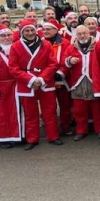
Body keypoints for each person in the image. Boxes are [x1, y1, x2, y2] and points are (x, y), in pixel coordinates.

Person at [9, 19, 61, 150]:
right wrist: (31, 80)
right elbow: (13, 68)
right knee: (30, 113)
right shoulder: (15, 46)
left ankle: (53, 136)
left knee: (49, 111)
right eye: (27, 30)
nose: (30, 33)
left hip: (45, 82)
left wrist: (42, 78)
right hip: (26, 83)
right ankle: (32, 139)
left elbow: (53, 63)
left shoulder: (46, 44)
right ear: (22, 32)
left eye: (32, 30)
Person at [62, 25, 100, 141]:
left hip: (94, 81)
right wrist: (69, 61)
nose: (82, 36)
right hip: (77, 83)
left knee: (97, 109)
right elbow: (64, 61)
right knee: (79, 110)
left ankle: (99, 129)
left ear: (89, 33)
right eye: (79, 34)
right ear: (76, 35)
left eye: (84, 33)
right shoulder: (71, 48)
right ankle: (81, 130)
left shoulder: (98, 45)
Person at [42, 19, 73, 136]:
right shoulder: (39, 42)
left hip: (61, 79)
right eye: (44, 29)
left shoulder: (65, 43)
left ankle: (65, 126)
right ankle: (51, 128)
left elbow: (67, 59)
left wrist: (61, 72)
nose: (45, 31)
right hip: (45, 79)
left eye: (48, 29)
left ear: (56, 30)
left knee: (65, 105)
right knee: (49, 107)